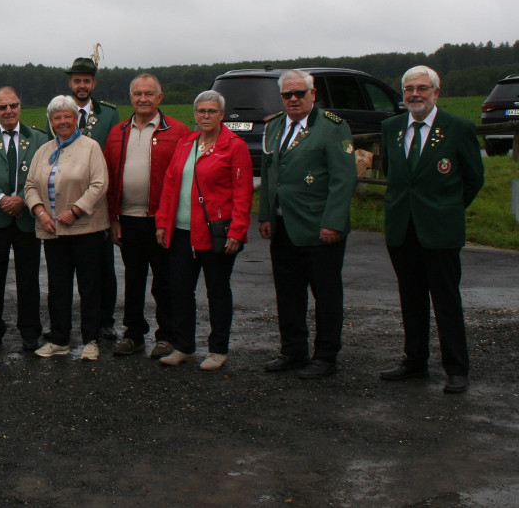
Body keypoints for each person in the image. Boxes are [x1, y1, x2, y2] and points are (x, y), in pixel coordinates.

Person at [378, 65, 484, 394]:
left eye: (422, 88)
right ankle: (414, 361)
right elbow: (391, 173)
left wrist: (447, 209)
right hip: (402, 229)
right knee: (411, 298)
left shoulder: (458, 128)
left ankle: (456, 368)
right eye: (409, 88)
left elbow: (473, 178)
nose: (415, 94)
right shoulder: (391, 128)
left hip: (440, 230)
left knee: (446, 300)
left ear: (436, 92)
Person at [258, 69, 357, 379]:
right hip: (283, 224)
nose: (294, 99)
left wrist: (333, 223)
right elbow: (269, 172)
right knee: (288, 293)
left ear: (313, 94)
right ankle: (293, 351)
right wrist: (264, 215)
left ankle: (326, 356)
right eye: (288, 95)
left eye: (300, 93)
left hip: (319, 227)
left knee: (326, 295)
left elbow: (343, 180)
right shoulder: (274, 127)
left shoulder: (332, 128)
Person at [154, 91, 254, 370]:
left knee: (217, 291)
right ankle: (184, 346)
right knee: (180, 290)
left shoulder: (235, 146)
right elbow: (170, 184)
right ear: (194, 114)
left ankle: (218, 349)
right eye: (201, 111)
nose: (206, 116)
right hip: (182, 231)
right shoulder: (187, 142)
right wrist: (162, 222)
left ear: (222, 115)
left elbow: (243, 191)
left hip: (216, 232)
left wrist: (238, 230)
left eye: (212, 111)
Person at [104, 73, 188, 359]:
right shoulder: (117, 132)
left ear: (160, 98)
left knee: (164, 280)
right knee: (134, 279)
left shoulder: (177, 131)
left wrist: (169, 220)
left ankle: (166, 336)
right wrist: (113, 218)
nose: (143, 98)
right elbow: (110, 178)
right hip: (128, 219)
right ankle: (134, 334)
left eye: (149, 94)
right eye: (138, 94)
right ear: (130, 98)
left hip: (162, 221)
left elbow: (183, 179)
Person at [24, 95, 110, 360]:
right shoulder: (43, 150)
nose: (63, 121)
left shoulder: (91, 147)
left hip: (86, 229)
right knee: (58, 287)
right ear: (51, 122)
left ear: (76, 119)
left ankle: (90, 341)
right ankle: (59, 340)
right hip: (53, 232)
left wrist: (75, 210)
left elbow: (99, 184)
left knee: (89, 287)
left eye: (67, 117)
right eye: (57, 117)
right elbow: (29, 186)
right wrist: (39, 212)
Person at [0, 87, 49, 352]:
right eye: (2, 107)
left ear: (20, 107)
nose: (8, 111)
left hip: (26, 219)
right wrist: (1, 199)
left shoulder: (37, 137)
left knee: (28, 279)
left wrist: (23, 200)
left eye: (13, 105)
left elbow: (41, 174)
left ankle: (30, 332)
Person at [63, 56, 123, 340]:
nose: (82, 85)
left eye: (87, 81)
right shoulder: (60, 111)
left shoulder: (109, 115)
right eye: (77, 80)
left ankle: (104, 320)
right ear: (70, 83)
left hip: (98, 200)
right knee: (64, 269)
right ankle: (62, 323)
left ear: (94, 84)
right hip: (65, 198)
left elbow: (113, 157)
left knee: (103, 267)